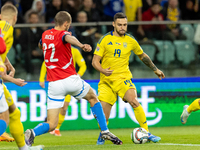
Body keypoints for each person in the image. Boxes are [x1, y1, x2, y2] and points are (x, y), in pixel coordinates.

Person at [25, 11, 122, 146]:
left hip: (54, 85)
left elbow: (41, 44)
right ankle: (104, 130)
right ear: (66, 24)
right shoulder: (65, 34)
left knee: (52, 123)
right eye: (68, 25)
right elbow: (68, 38)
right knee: (93, 97)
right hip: (69, 79)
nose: (68, 28)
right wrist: (81, 45)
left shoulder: (45, 34)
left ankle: (33, 132)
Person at [92, 12, 165, 145]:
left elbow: (142, 55)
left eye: (125, 25)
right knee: (103, 116)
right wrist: (102, 70)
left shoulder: (130, 40)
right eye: (119, 25)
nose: (122, 27)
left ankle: (146, 132)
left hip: (123, 79)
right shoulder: (105, 40)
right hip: (106, 82)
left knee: (134, 101)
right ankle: (103, 134)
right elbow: (95, 61)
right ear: (113, 24)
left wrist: (155, 69)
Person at [0, 4, 44, 150]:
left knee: (14, 112)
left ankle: (24, 148)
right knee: (4, 116)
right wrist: (12, 79)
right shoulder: (6, 28)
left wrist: (9, 64)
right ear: (15, 17)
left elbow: (1, 51)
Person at [39, 46, 87, 136]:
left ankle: (57, 128)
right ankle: (51, 125)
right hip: (56, 81)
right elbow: (45, 63)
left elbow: (83, 65)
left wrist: (79, 75)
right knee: (55, 107)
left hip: (69, 81)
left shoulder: (75, 51)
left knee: (64, 108)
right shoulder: (56, 49)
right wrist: (42, 78)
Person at [19, 11, 44, 80]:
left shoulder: (41, 31)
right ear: (29, 19)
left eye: (36, 18)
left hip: (39, 51)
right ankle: (29, 74)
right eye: (32, 18)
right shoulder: (25, 30)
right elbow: (22, 43)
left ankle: (47, 74)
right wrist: (32, 51)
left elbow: (44, 42)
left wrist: (40, 51)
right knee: (27, 55)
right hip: (28, 51)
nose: (34, 20)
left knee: (48, 55)